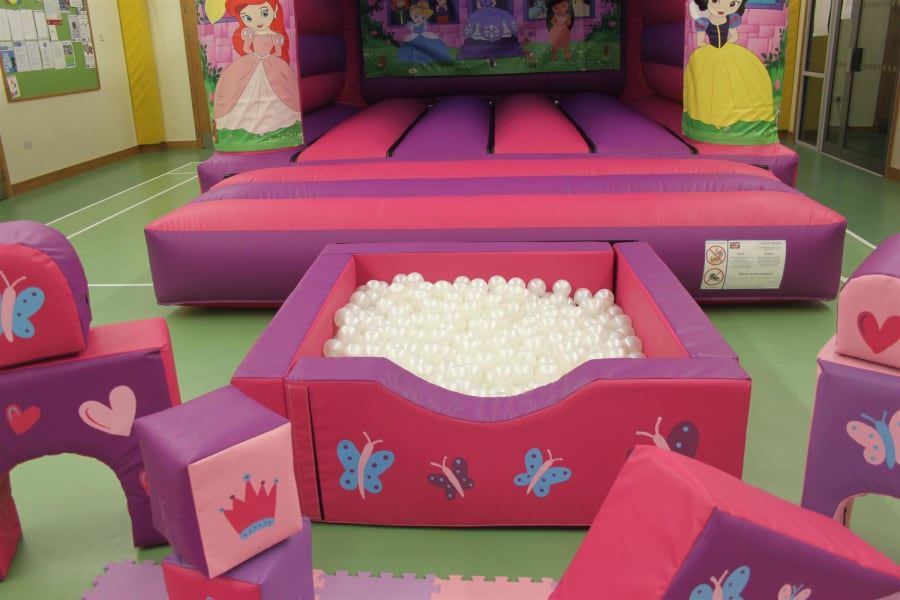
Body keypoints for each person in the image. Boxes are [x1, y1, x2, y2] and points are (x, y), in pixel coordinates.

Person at [683, 0, 776, 143]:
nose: (722, 8)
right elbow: (706, 40)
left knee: (735, 81)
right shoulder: (704, 22)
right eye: (715, 1)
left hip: (726, 50)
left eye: (732, 4)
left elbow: (732, 37)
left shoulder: (731, 20)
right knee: (713, 83)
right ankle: (715, 116)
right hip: (713, 52)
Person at [213, 0, 302, 136]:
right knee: (245, 86)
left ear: (274, 11)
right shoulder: (251, 34)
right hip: (254, 60)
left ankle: (276, 119)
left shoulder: (275, 36)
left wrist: (268, 57)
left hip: (269, 61)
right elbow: (246, 49)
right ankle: (244, 120)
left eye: (264, 13)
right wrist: (255, 56)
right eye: (248, 18)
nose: (258, 21)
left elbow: (278, 53)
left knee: (276, 87)